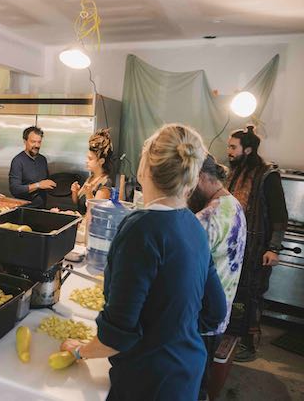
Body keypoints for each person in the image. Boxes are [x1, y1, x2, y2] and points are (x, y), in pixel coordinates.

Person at [60, 124, 227, 401]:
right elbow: (215, 311)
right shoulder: (193, 224)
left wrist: (79, 351)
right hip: (187, 371)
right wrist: (169, 329)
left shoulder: (141, 228)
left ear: (144, 168)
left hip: (148, 381)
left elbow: (117, 336)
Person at [226, 125, 288, 362]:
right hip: (234, 248)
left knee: (251, 296)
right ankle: (230, 339)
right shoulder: (234, 172)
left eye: (233, 147)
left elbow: (279, 215)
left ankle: (248, 344)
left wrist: (274, 248)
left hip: (257, 250)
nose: (229, 151)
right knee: (233, 294)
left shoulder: (267, 176)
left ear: (248, 150)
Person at [189, 154, 246, 400]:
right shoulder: (233, 204)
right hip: (219, 317)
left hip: (200, 320)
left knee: (193, 386)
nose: (185, 191)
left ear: (201, 177)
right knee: (202, 382)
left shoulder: (208, 217)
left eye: (188, 183)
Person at [9, 126, 55, 208]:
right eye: (33, 142)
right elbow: (15, 189)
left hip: (42, 208)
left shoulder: (42, 159)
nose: (36, 145)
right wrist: (38, 185)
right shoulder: (18, 161)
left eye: (39, 142)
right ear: (25, 141)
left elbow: (46, 183)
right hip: (25, 209)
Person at [71, 129, 114, 214]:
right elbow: (77, 203)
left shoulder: (105, 183)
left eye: (90, 159)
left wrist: (89, 194)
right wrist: (75, 192)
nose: (86, 161)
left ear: (101, 161)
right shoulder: (91, 178)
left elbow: (96, 212)